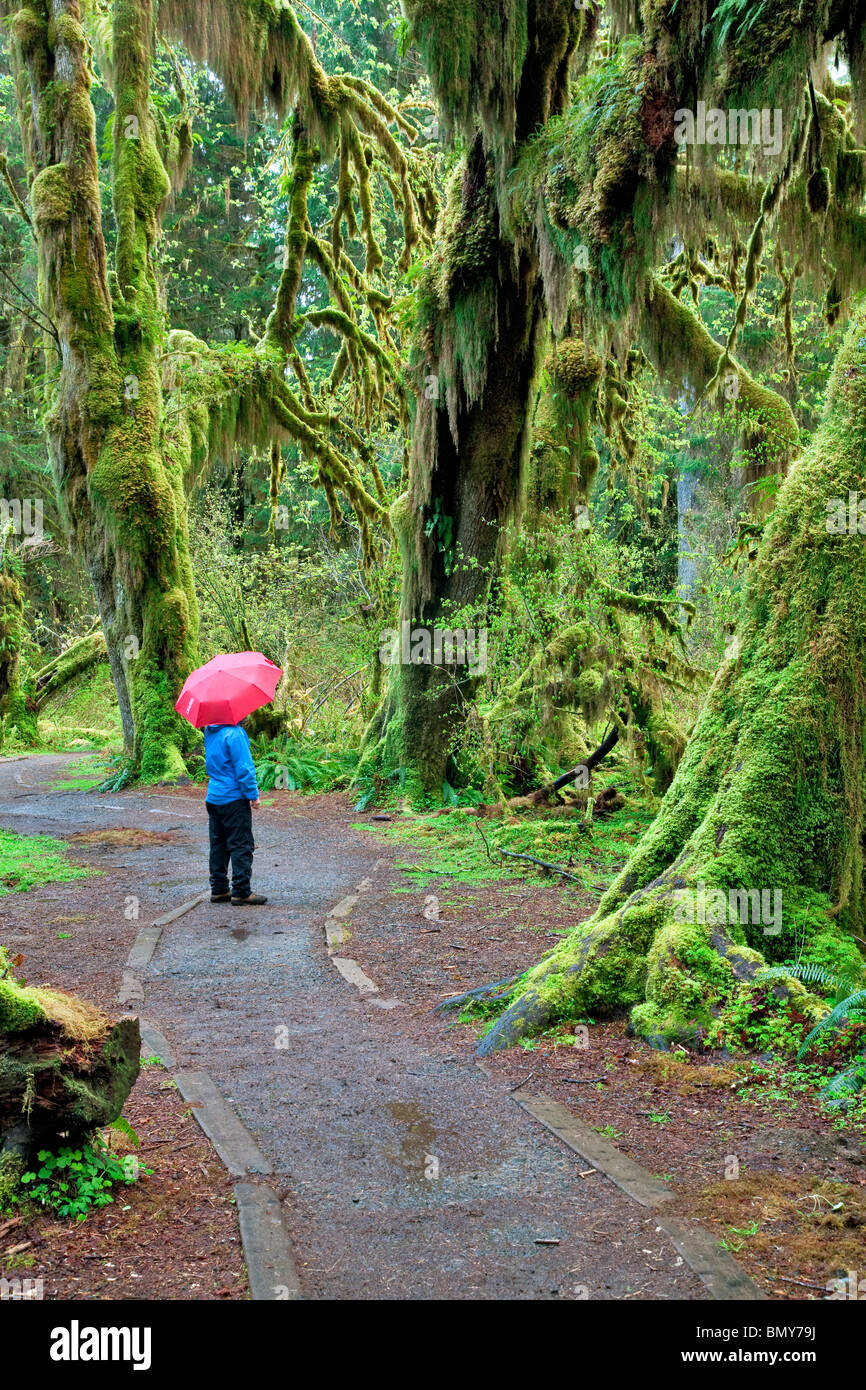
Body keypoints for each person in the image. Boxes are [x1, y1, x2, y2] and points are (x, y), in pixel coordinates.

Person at [203, 720, 267, 905]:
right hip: (233, 798)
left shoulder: (209, 730)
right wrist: (253, 795)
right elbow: (244, 768)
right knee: (241, 844)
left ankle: (219, 889)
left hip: (214, 796)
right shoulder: (235, 733)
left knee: (218, 844)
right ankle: (241, 891)